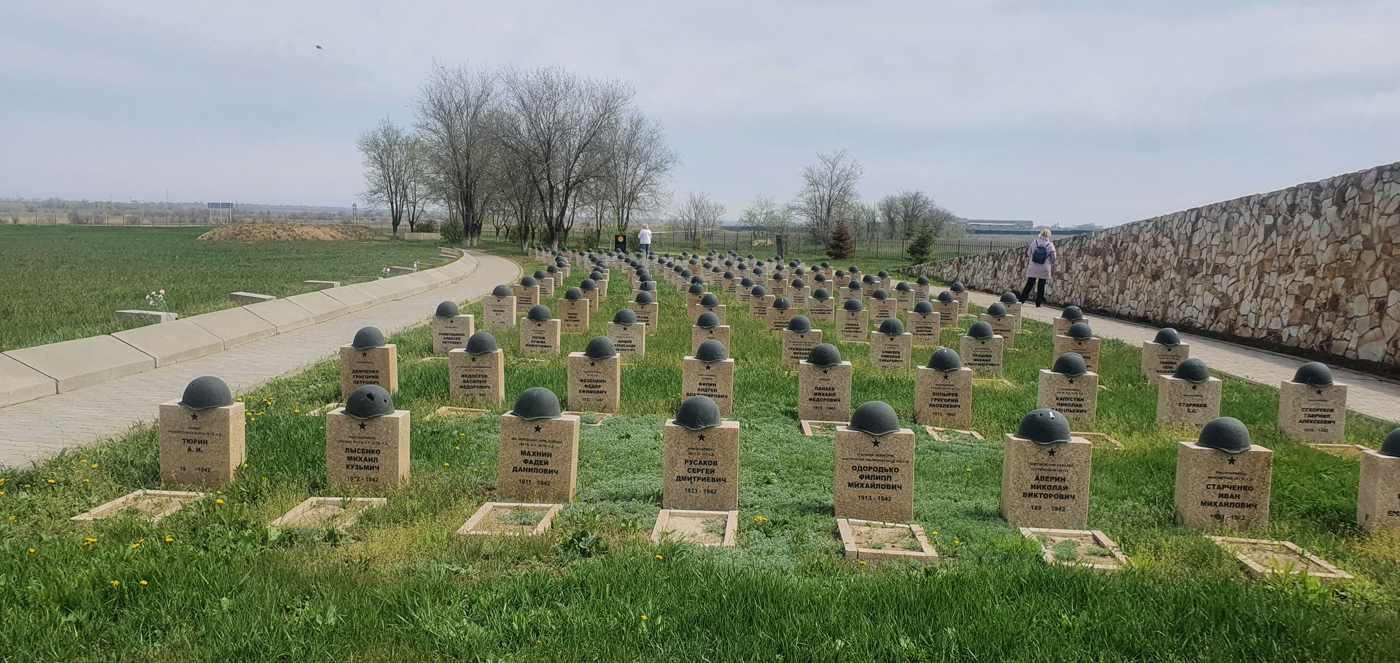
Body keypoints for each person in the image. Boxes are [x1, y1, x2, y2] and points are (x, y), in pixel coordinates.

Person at [1020, 229, 1056, 307]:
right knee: (1041, 285)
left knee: (1029, 284)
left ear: (1041, 234)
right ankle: (1038, 303)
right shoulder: (1050, 245)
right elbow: (1053, 257)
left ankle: (1021, 301)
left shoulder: (1035, 242)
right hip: (1044, 267)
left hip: (1033, 266)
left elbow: (1029, 253)